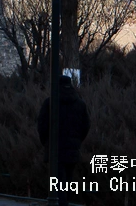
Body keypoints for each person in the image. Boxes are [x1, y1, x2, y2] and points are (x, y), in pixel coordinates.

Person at [37, 75, 91, 206]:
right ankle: (65, 202)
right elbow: (86, 126)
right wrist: (77, 141)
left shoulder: (50, 103)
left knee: (57, 184)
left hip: (55, 149)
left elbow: (42, 126)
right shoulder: (80, 104)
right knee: (67, 182)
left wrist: (46, 143)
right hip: (72, 150)